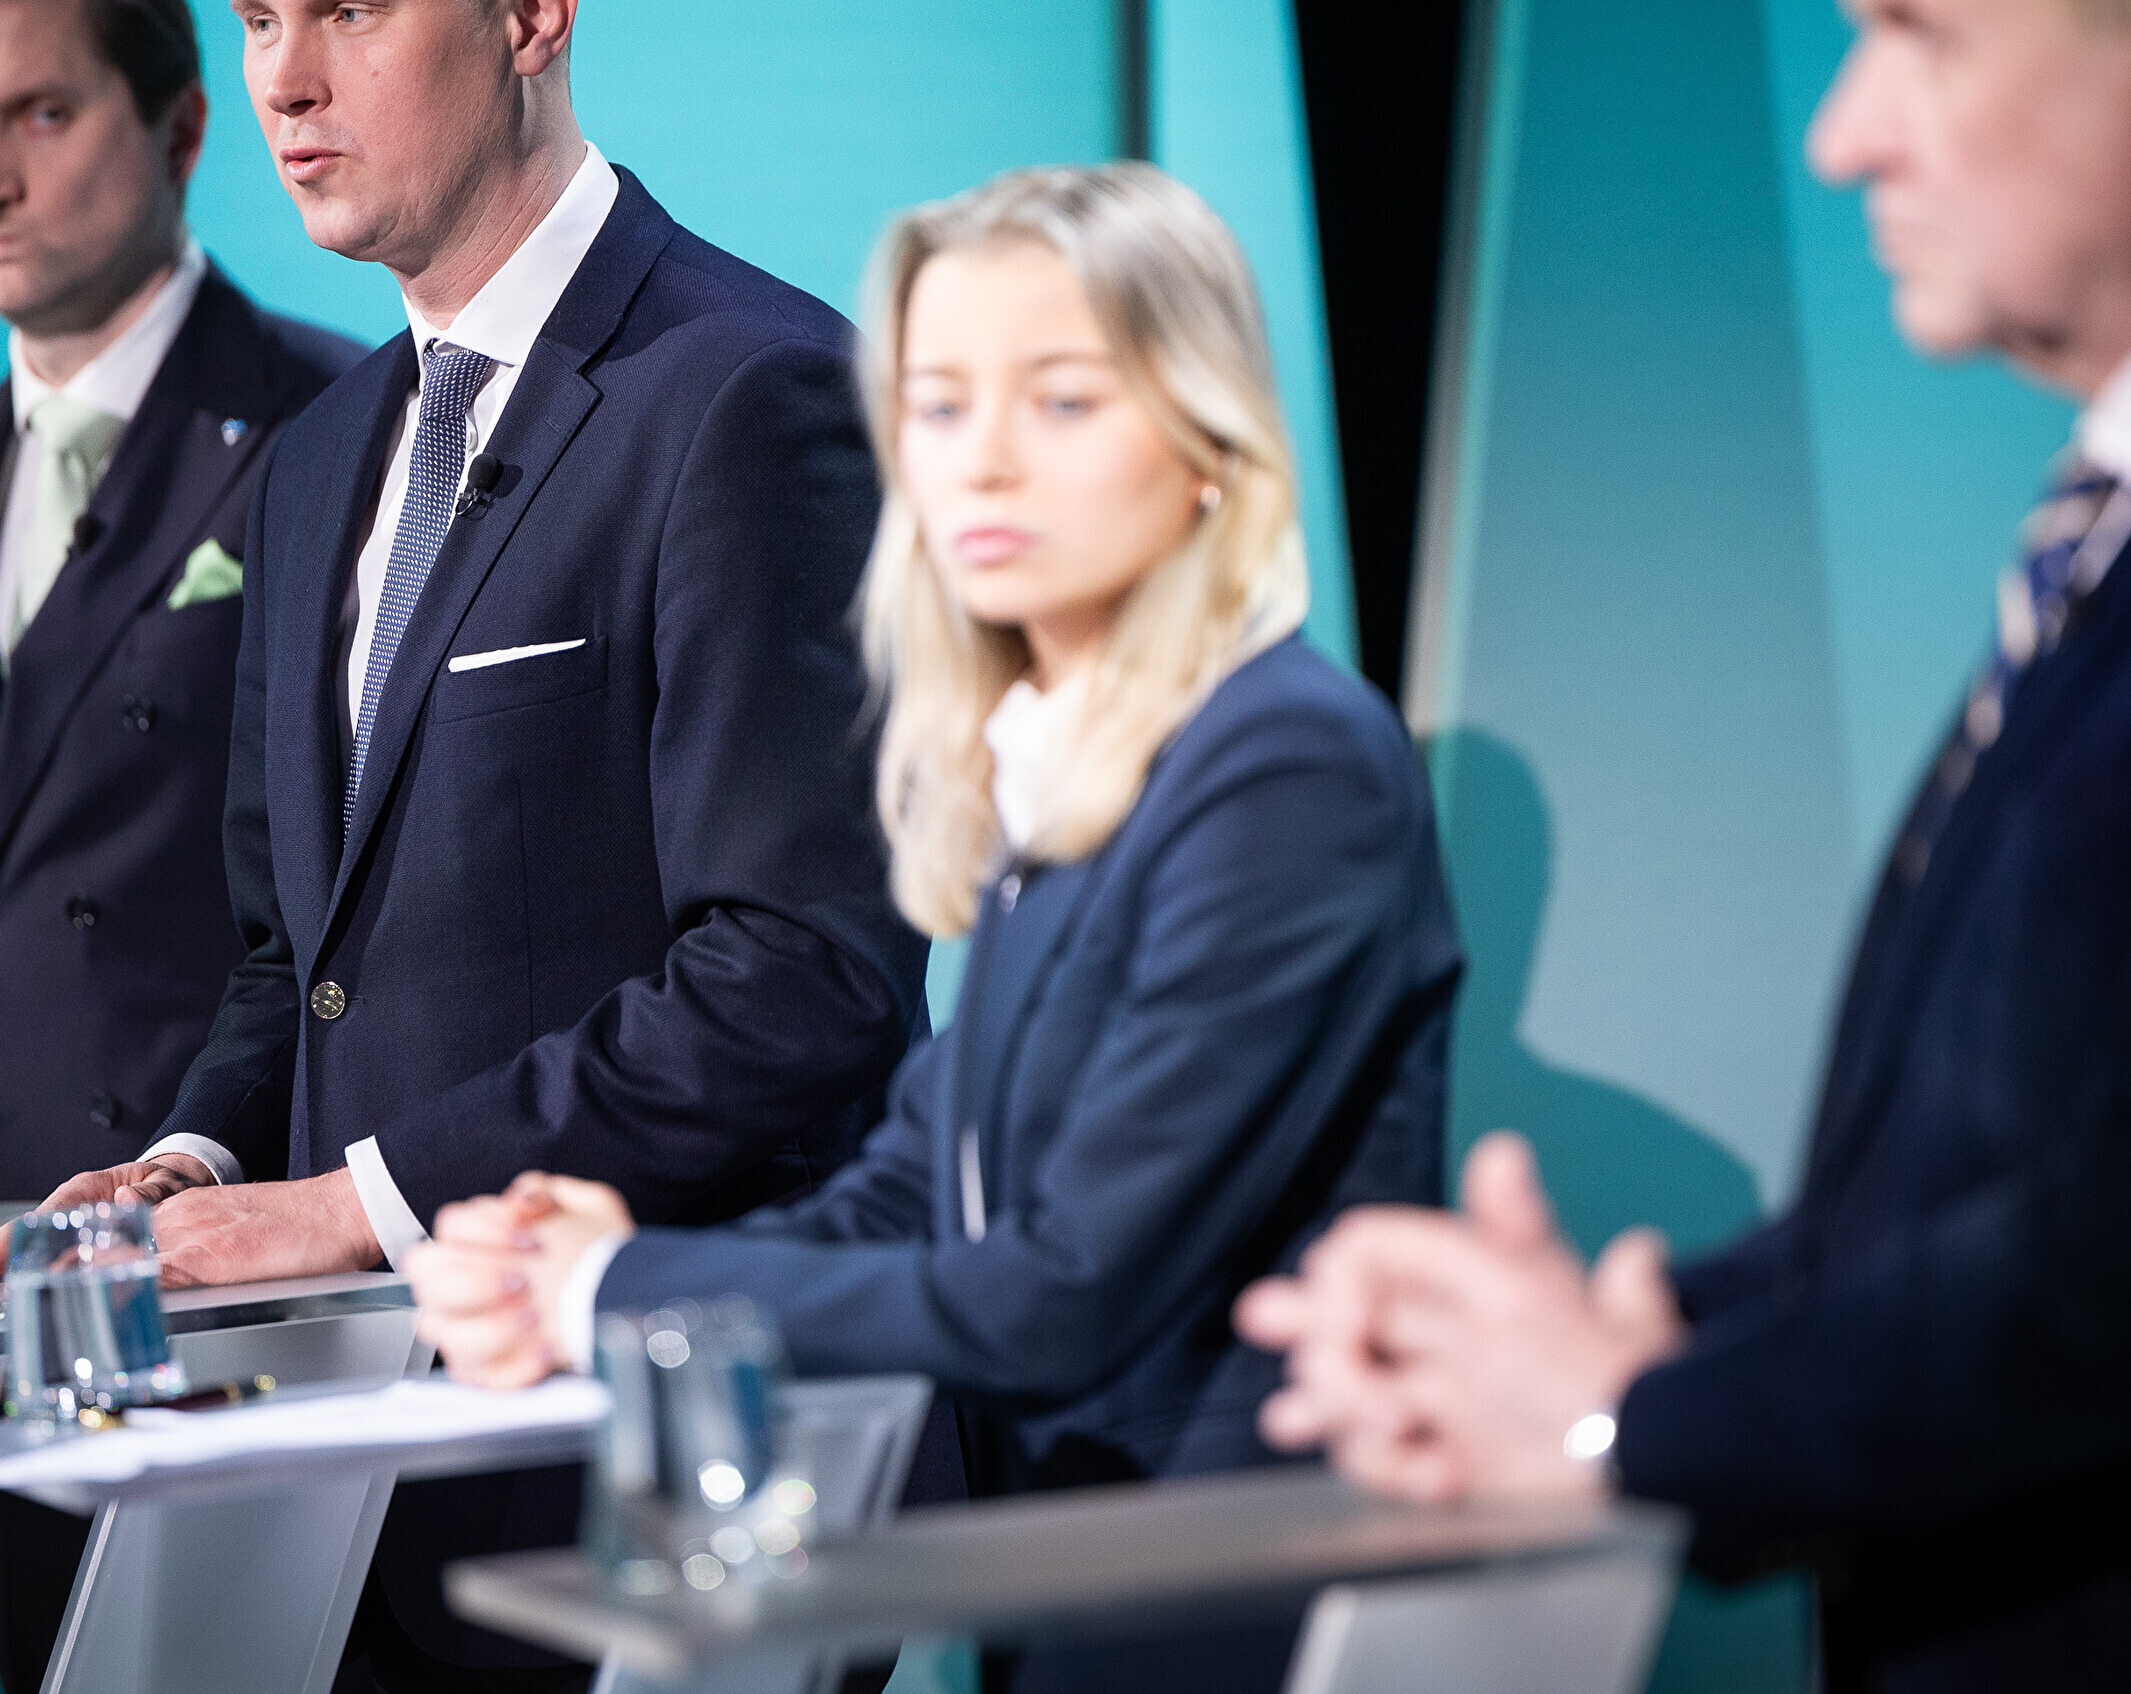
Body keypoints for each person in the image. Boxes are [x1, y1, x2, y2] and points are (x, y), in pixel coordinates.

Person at [1241, 0, 2131, 1691]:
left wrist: (1624, 1424)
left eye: (1918, 35)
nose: (1841, 136)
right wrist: (1633, 1339)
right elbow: (1984, 1195)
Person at [0, 0, 928, 1684]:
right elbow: (296, 954)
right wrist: (195, 1165)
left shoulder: (748, 395)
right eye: (262, 23)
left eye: (349, 12)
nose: (284, 83)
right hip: (361, 1471)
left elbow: (802, 973)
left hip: (655, 1452)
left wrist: (354, 1210)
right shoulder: (322, 450)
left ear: (533, 12)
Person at [408, 160, 1462, 1692]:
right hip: (1081, 1594)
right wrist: (604, 1269)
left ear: (1208, 444)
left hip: (1240, 1612)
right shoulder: (1077, 773)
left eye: (1063, 401)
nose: (986, 464)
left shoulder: (1282, 762)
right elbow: (914, 1193)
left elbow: (1064, 1288)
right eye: (943, 406)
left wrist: (607, 1293)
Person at [0, 0, 360, 1690]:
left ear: (183, 125)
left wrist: (216, 1200)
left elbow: (343, 907)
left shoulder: (336, 422)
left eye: (39, 115)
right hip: (15, 1311)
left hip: (252, 1284)